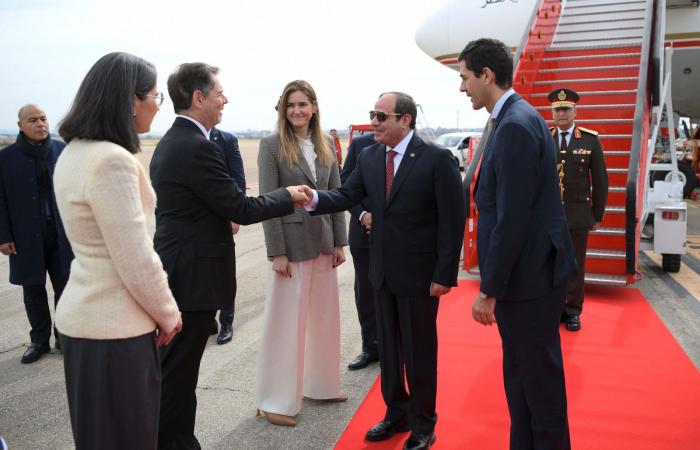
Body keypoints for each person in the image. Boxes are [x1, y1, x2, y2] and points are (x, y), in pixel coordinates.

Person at [150, 63, 310, 450]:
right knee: (178, 379)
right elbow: (239, 207)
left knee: (177, 375)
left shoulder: (174, 142)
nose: (225, 100)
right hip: (192, 279)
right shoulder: (195, 147)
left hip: (181, 271)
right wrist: (286, 195)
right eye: (219, 93)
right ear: (198, 98)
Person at [307, 92, 466, 450]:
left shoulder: (435, 159)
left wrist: (444, 274)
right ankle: (397, 413)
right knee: (390, 353)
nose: (374, 122)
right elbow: (347, 196)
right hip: (381, 273)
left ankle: (424, 423)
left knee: (419, 353)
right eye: (372, 115)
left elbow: (452, 222)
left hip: (420, 277)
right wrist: (313, 198)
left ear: (405, 120)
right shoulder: (369, 157)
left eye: (381, 116)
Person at [53, 52, 183, 449]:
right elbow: (135, 256)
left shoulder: (75, 151)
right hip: (115, 329)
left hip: (86, 320)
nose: (157, 108)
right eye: (155, 97)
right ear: (131, 101)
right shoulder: (112, 161)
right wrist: (168, 312)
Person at [460, 38, 576, 450]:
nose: (462, 88)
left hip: (527, 281)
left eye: (465, 77)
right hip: (530, 275)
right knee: (522, 377)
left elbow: (512, 219)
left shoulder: (513, 125)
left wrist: (489, 290)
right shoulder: (516, 117)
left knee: (537, 383)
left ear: (487, 75)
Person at [255, 80, 348, 427]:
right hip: (290, 250)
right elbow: (267, 201)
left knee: (325, 321)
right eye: (290, 105)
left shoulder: (325, 145)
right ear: (283, 109)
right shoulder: (271, 146)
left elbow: (337, 196)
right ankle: (275, 400)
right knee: (286, 326)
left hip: (323, 245)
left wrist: (340, 242)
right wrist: (276, 251)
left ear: (313, 107)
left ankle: (321, 385)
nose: (296, 110)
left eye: (302, 104)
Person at [0, 104, 73, 364]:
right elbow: (1, 201)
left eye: (43, 118)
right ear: (20, 125)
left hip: (61, 235)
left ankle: (64, 337)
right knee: (33, 289)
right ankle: (38, 341)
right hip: (25, 236)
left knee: (65, 286)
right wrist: (3, 235)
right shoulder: (6, 158)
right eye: (33, 120)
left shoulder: (61, 151)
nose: (40, 123)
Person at [549, 88, 608, 332]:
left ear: (575, 112)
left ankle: (572, 310)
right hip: (549, 216)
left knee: (574, 265)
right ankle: (553, 308)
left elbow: (601, 180)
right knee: (550, 265)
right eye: (557, 109)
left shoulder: (590, 140)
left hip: (578, 214)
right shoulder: (544, 137)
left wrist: (597, 214)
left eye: (566, 109)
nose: (561, 113)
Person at [340, 132, 379, 370]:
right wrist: (363, 215)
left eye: (382, 116)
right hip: (362, 232)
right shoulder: (360, 146)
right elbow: (346, 186)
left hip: (396, 236)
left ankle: (395, 349)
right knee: (365, 293)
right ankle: (370, 348)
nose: (377, 121)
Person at [210, 126, 246, 345]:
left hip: (223, 215)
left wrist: (236, 215)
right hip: (197, 219)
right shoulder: (187, 137)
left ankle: (226, 321)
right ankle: (208, 320)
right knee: (202, 273)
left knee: (224, 272)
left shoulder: (226, 140)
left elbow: (238, 180)